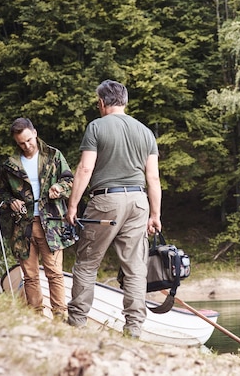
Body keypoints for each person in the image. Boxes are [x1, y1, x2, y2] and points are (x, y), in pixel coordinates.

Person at [65, 79, 162, 338]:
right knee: (135, 268)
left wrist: (72, 205)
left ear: (101, 102)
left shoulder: (96, 127)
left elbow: (85, 168)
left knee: (87, 262)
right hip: (139, 202)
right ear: (125, 101)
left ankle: (77, 323)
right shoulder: (145, 132)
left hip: (106, 201)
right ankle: (133, 329)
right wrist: (155, 215)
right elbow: (153, 178)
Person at [0, 117, 75, 320]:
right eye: (21, 143)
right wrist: (11, 201)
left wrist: (60, 188)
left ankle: (60, 317)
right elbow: (1, 194)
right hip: (23, 227)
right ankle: (36, 318)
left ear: (35, 133)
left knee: (55, 274)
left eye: (29, 140)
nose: (27, 145)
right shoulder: (9, 165)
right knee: (30, 276)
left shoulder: (54, 155)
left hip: (52, 224)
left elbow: (70, 180)